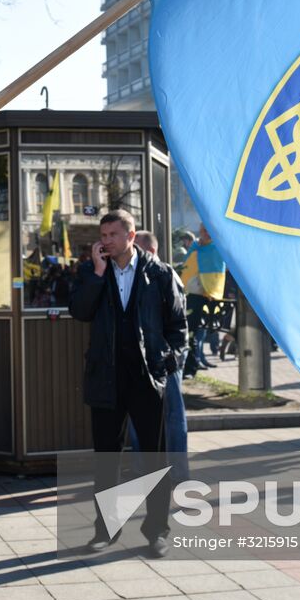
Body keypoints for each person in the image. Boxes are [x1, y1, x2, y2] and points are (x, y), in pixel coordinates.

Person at [70, 210, 186, 558]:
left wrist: (169, 364)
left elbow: (178, 324)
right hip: (106, 379)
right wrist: (97, 273)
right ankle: (105, 530)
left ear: (131, 237)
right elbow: (80, 311)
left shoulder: (161, 273)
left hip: (147, 379)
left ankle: (157, 531)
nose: (105, 241)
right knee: (106, 459)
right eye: (102, 235)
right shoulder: (92, 272)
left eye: (112, 235)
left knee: (154, 457)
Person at [131, 231, 189, 478]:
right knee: (140, 415)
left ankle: (176, 472)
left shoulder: (165, 275)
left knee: (172, 415)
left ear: (150, 251)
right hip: (145, 356)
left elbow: (177, 322)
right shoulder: (137, 276)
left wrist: (172, 357)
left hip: (164, 358)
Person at [180, 225, 226, 376]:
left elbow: (219, 270)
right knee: (191, 333)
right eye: (202, 230)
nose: (204, 233)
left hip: (207, 296)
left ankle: (192, 366)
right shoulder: (196, 246)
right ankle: (191, 366)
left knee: (198, 334)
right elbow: (187, 265)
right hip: (190, 295)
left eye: (207, 230)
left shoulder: (217, 247)